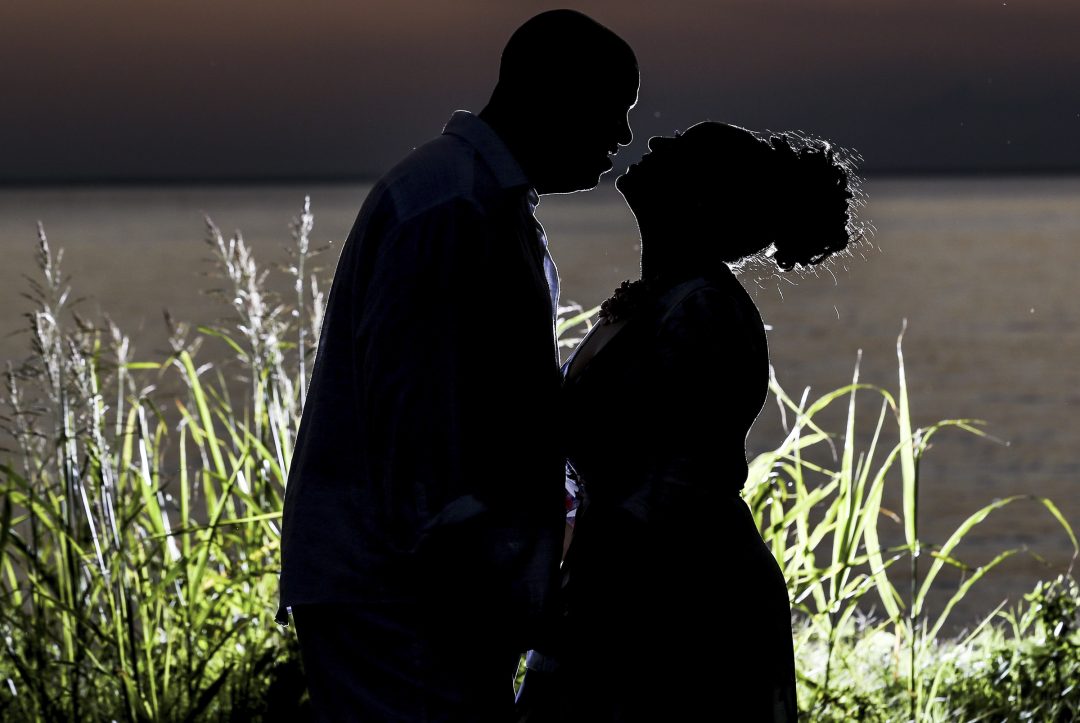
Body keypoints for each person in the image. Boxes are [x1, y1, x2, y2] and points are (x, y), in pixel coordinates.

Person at [276, 9, 638, 722]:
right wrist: (486, 590)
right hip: (399, 604)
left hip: (418, 595)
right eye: (611, 110)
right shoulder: (451, 208)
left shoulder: (476, 198)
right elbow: (416, 433)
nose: (621, 139)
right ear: (552, 94)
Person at [522, 122, 862, 722]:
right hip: (628, 583)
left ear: (702, 199)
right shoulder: (664, 296)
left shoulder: (703, 311)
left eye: (680, 149)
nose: (654, 145)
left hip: (673, 602)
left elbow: (676, 486)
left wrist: (587, 597)